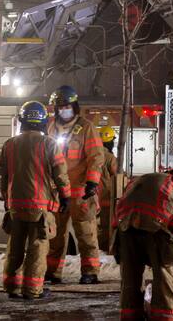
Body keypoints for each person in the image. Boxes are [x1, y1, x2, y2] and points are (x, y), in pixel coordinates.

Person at [0, 101, 70, 300]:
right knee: (37, 248)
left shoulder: (10, 144)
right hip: (40, 207)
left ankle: (11, 286)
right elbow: (60, 175)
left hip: (15, 206)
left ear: (22, 120)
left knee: (15, 248)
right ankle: (32, 290)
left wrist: (7, 198)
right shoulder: (49, 144)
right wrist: (66, 196)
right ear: (43, 121)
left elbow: (3, 174)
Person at [115, 170, 173, 321]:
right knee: (164, 275)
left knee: (130, 276)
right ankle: (164, 315)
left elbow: (120, 208)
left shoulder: (140, 180)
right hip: (158, 229)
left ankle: (130, 314)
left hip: (126, 229)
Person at [44, 86, 104, 285]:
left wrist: (92, 182)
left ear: (74, 106)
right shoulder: (51, 128)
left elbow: (96, 157)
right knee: (55, 236)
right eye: (60, 107)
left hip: (80, 192)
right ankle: (53, 272)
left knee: (86, 234)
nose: (63, 110)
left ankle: (90, 272)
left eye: (67, 106)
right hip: (57, 192)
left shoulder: (86, 128)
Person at [97, 125, 119, 253]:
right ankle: (103, 251)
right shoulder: (110, 158)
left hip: (92, 199)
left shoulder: (91, 154)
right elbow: (118, 177)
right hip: (106, 199)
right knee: (106, 228)